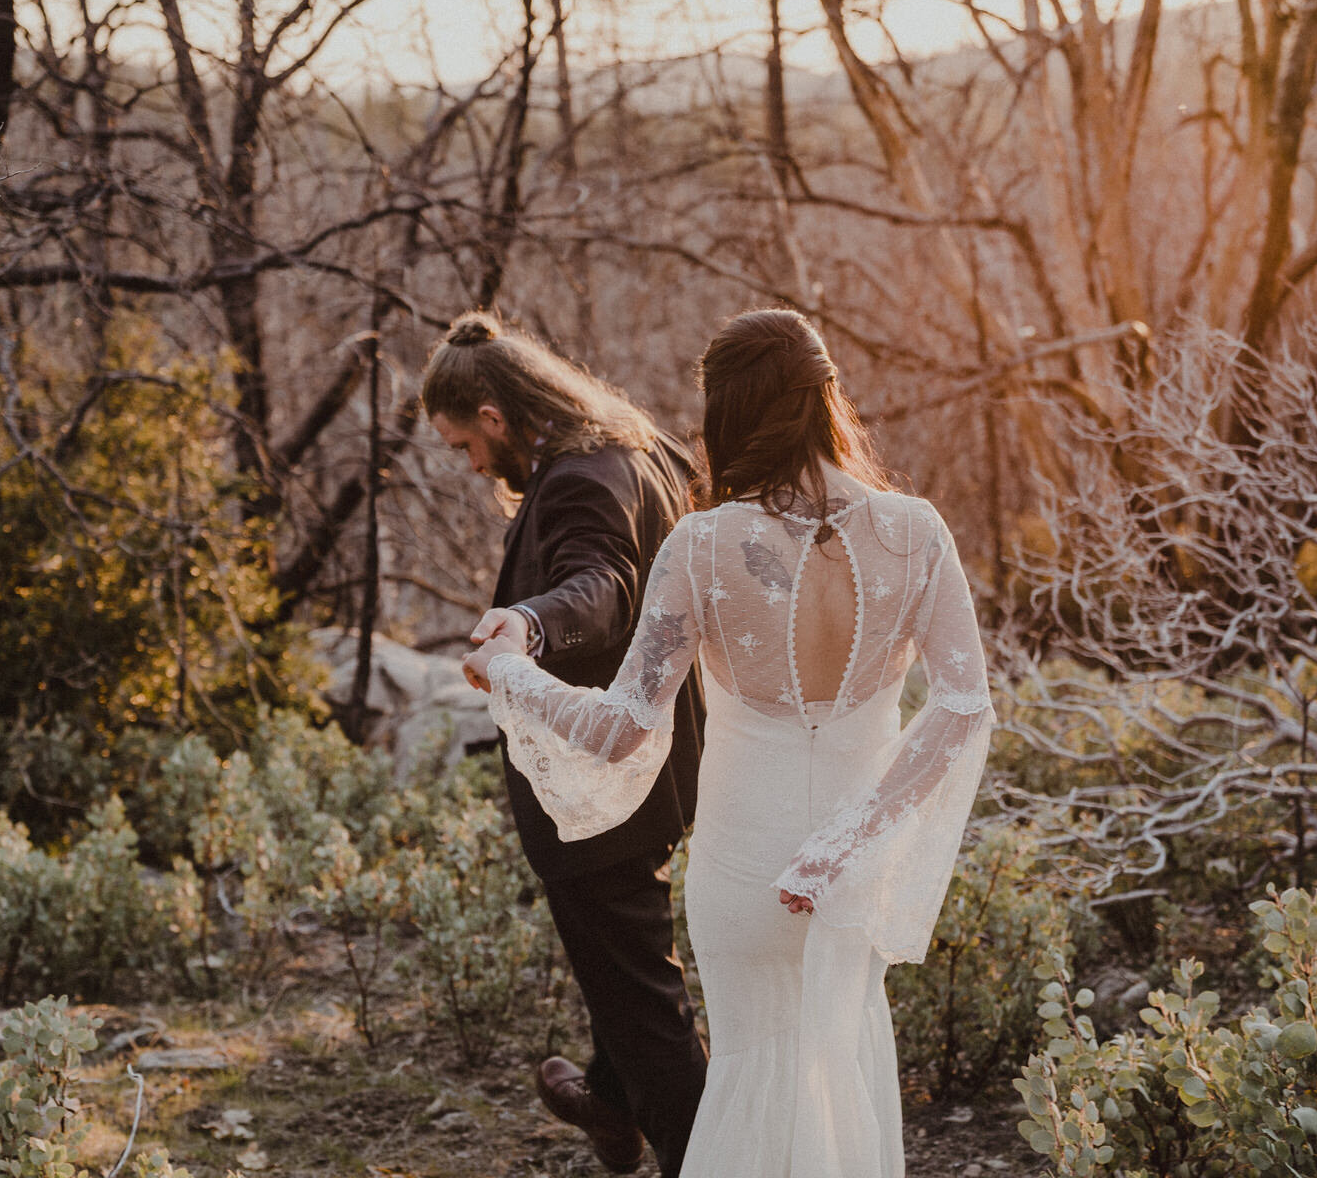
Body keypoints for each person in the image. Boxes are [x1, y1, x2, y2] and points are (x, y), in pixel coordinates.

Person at [464, 308, 996, 1178]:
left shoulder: (703, 547)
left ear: (726, 416)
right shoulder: (917, 532)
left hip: (745, 867)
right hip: (851, 871)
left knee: (755, 1077)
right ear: (827, 397)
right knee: (837, 1066)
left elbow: (621, 725)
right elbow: (963, 707)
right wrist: (846, 847)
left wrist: (514, 669)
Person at [423, 311, 709, 1178]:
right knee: (627, 971)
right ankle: (612, 1103)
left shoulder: (580, 478)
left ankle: (697, 1155)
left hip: (601, 791)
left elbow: (606, 585)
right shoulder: (641, 449)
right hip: (660, 766)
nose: (470, 464)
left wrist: (528, 623)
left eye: (463, 444)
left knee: (644, 1001)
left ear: (496, 417)